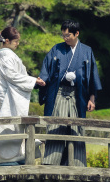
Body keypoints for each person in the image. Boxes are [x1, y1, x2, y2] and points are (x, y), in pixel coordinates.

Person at [37, 20, 101, 166]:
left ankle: (76, 163)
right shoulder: (57, 49)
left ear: (77, 34)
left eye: (68, 35)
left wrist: (92, 98)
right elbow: (46, 69)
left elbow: (92, 76)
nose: (65, 38)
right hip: (59, 92)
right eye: (63, 35)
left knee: (76, 128)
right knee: (55, 126)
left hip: (78, 95)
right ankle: (51, 163)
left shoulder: (86, 51)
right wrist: (42, 80)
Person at [0, 26, 45, 166]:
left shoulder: (1, 59)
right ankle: (8, 159)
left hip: (6, 99)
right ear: (7, 41)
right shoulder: (7, 57)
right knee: (10, 127)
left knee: (11, 126)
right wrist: (33, 81)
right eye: (16, 41)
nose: (17, 44)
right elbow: (13, 76)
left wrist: (31, 81)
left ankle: (10, 158)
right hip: (8, 99)